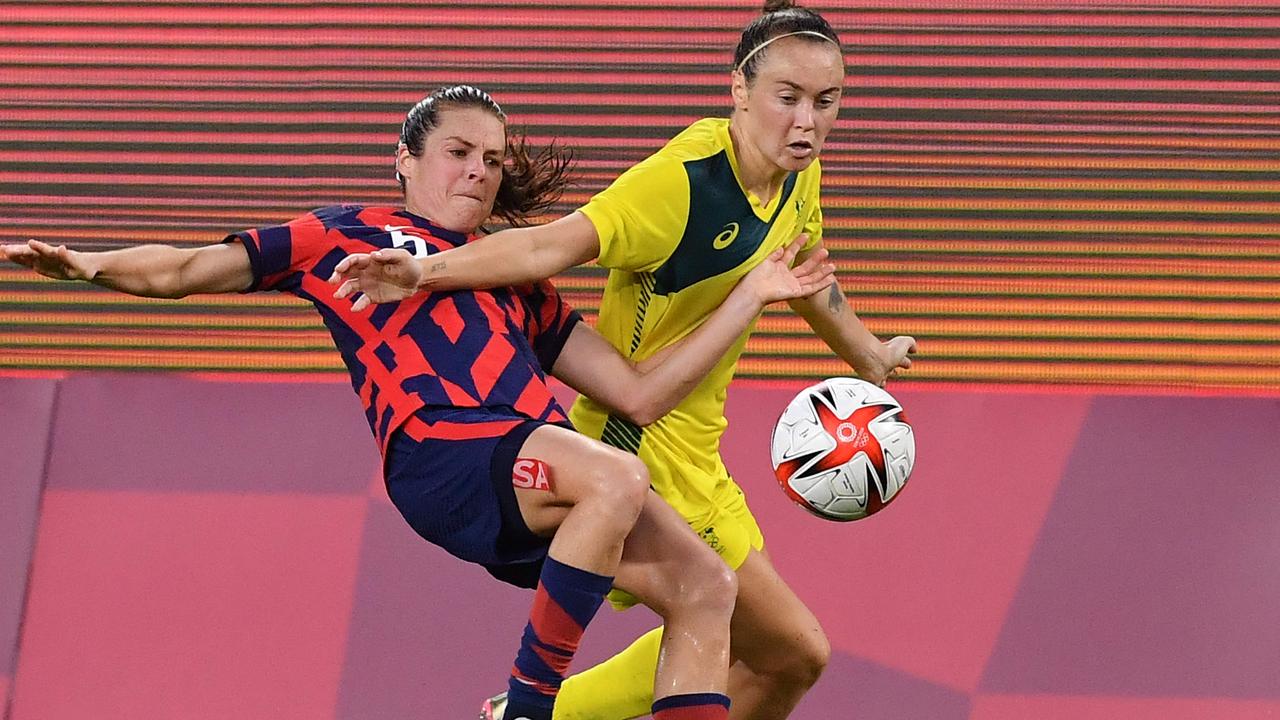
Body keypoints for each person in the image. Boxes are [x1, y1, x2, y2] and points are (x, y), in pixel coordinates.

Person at [0, 85, 839, 720]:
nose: (479, 170)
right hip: (448, 458)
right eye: (458, 152)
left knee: (707, 589)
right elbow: (185, 270)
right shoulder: (344, 236)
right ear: (404, 158)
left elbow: (640, 392)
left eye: (494, 159)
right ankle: (525, 706)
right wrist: (88, 264)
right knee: (617, 477)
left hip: (538, 476)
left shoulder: (517, 279)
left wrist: (751, 296)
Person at [331, 5, 918, 718]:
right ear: (739, 90)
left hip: (700, 447)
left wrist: (867, 351)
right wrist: (427, 273)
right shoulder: (680, 184)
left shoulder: (798, 173)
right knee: (748, 624)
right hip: (640, 444)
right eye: (786, 98)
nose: (807, 122)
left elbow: (803, 268)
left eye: (826, 102)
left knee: (791, 657)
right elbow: (549, 248)